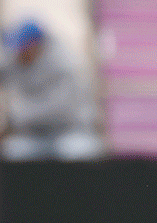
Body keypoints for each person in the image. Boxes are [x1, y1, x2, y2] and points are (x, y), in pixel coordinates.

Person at [0, 19, 103, 162]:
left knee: (81, 151)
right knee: (13, 152)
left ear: (35, 44)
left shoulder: (65, 64)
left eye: (23, 48)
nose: (20, 52)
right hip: (32, 135)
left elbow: (60, 110)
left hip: (69, 131)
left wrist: (14, 115)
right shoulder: (17, 60)